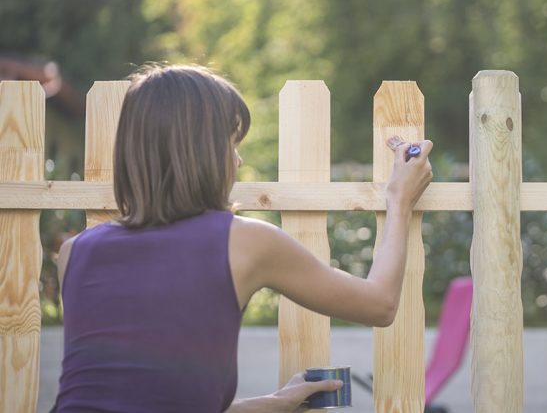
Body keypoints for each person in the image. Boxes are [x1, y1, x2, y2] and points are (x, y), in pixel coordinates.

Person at [54, 64, 433, 412]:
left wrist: (274, 403)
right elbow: (379, 304)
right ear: (198, 152)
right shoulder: (241, 241)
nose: (237, 161)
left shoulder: (75, 252)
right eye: (231, 144)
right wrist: (399, 200)